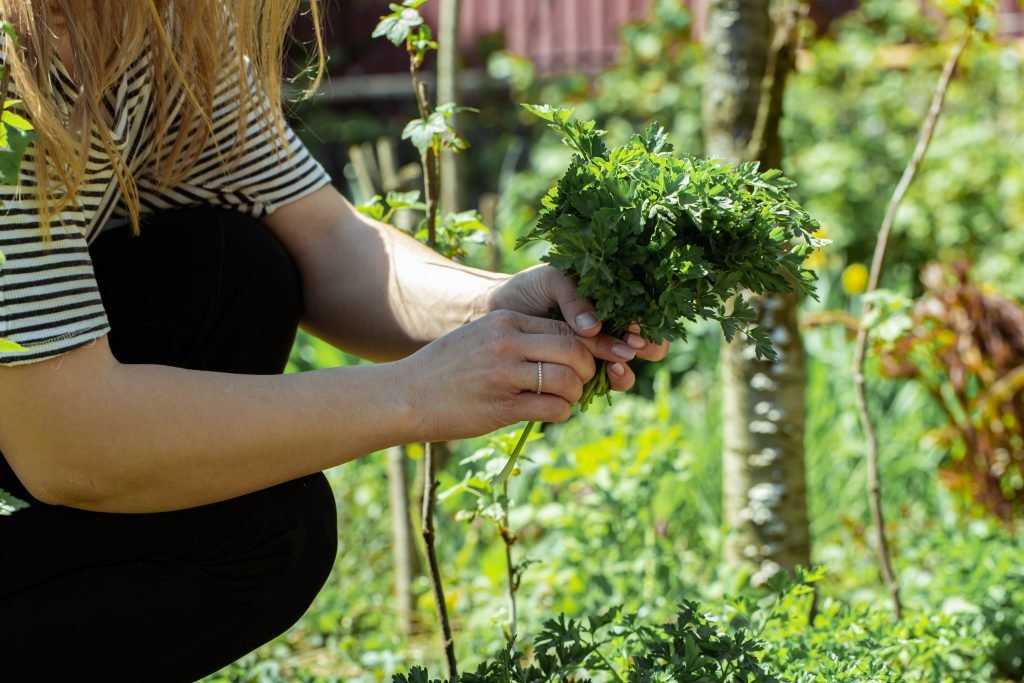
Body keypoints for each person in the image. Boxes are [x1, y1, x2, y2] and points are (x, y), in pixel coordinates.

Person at [0, 1, 668, 680]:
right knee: (270, 527)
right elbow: (66, 441)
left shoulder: (161, 27)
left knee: (230, 282)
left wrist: (503, 306)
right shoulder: (12, 57)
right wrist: (414, 394)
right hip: (52, 423)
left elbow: (328, 240)